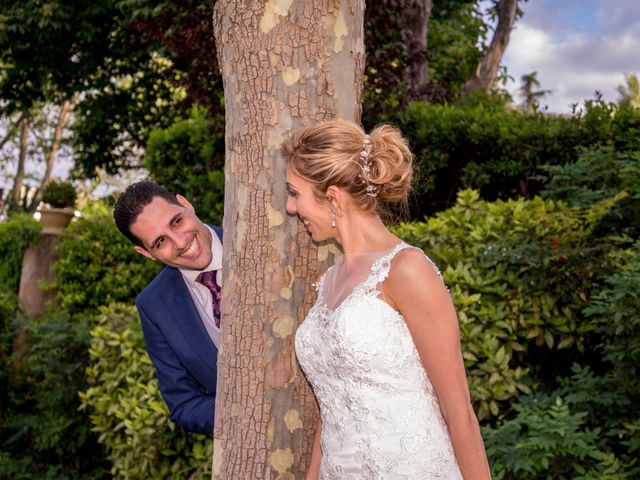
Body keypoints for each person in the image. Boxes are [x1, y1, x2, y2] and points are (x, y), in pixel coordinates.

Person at [282, 119, 491, 479]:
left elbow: (459, 410)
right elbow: (333, 405)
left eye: (295, 193)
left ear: (332, 197)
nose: (289, 207)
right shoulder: (329, 280)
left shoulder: (407, 269)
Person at [113, 181, 222, 435]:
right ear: (146, 253)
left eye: (176, 222)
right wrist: (240, 411)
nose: (181, 242)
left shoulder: (259, 244)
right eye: (160, 242)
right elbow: (183, 403)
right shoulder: (154, 305)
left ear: (185, 204)